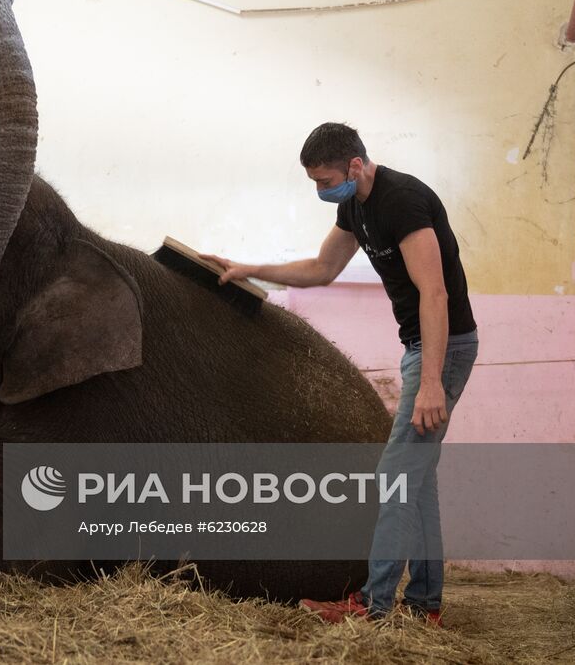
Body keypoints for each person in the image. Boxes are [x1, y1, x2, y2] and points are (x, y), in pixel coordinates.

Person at [200, 122, 477, 625]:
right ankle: (425, 605)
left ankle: (374, 605)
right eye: (314, 183)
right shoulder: (355, 208)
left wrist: (431, 381)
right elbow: (321, 269)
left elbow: (434, 293)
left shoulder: (403, 201)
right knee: (417, 482)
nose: (321, 192)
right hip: (420, 347)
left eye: (325, 181)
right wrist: (247, 268)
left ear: (354, 166)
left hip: (443, 348)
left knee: (395, 477)